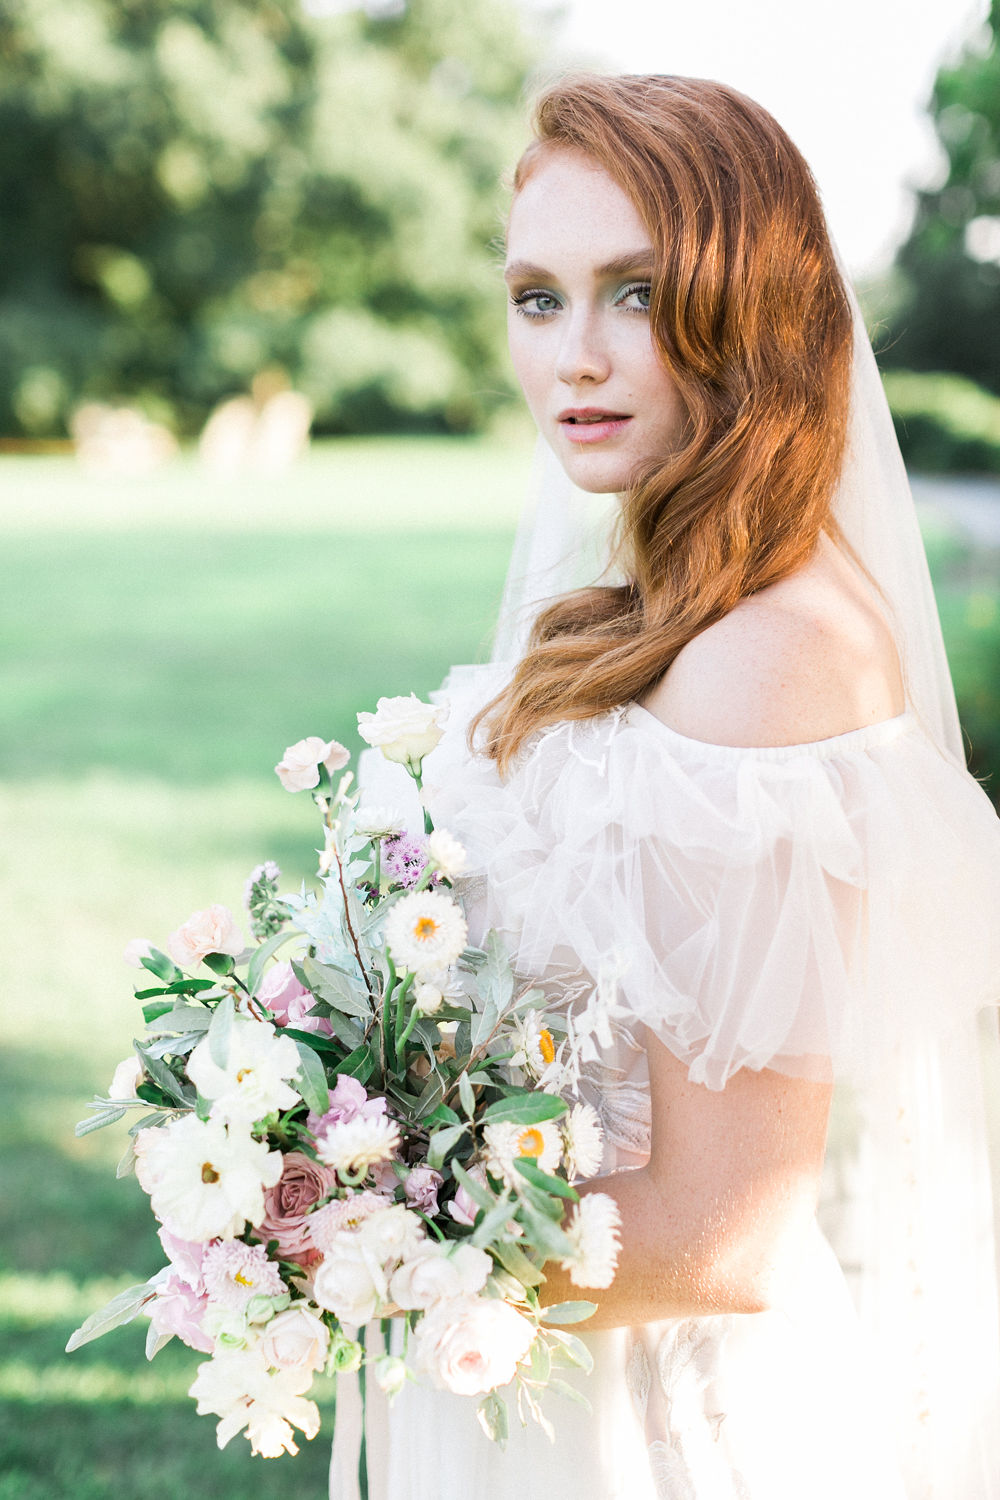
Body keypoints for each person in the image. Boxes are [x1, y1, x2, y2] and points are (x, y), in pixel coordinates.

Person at [339, 74, 1000, 1499]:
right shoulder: (673, 601)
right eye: (538, 299)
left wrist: (343, 1244)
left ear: (751, 305)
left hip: (644, 1418)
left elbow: (722, 1230)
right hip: (537, 1339)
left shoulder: (772, 655)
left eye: (635, 294)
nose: (574, 357)